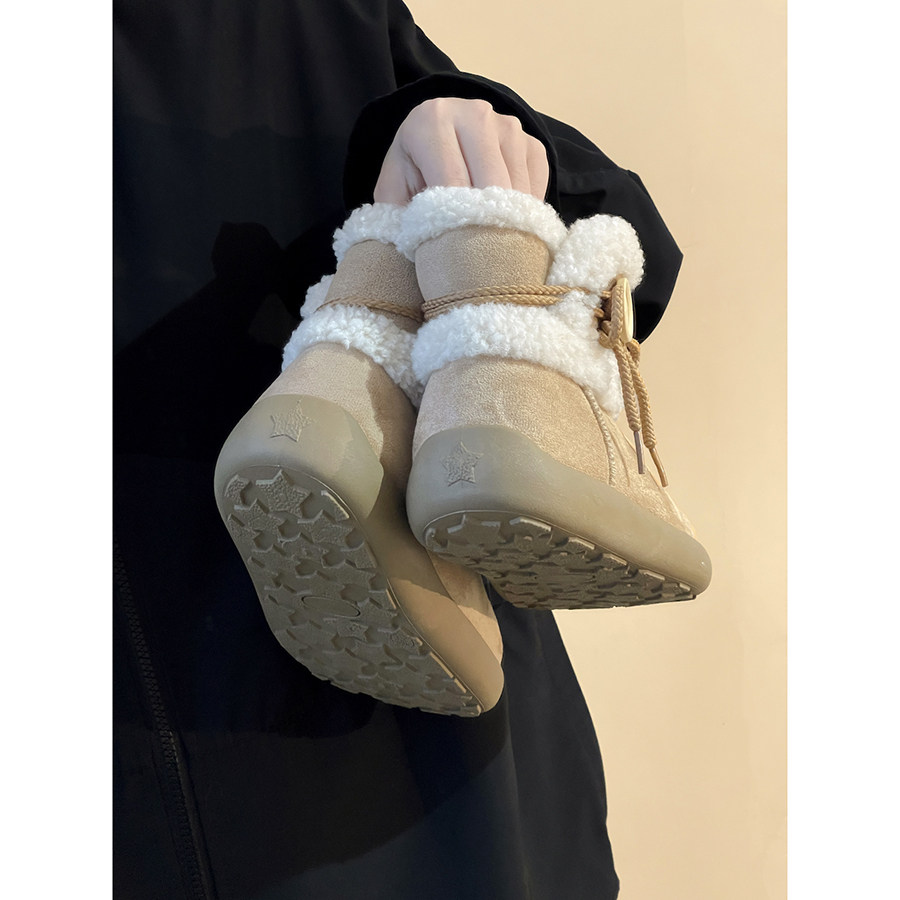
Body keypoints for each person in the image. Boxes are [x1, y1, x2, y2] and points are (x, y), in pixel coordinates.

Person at [114, 2, 690, 896]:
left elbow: (619, 220)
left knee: (455, 176)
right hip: (426, 775)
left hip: (377, 755)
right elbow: (631, 237)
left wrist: (463, 132)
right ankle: (425, 376)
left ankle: (361, 353)